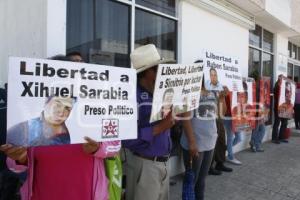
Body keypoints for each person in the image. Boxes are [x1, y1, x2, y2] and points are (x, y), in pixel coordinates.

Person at [0, 55, 121, 200]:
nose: (61, 111)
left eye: (67, 107)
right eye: (57, 104)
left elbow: (115, 145)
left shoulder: (90, 120)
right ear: (45, 100)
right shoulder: (26, 129)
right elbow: (13, 166)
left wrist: (98, 148)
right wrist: (20, 159)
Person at [123, 44, 197, 200]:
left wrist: (184, 108)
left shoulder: (161, 92)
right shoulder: (130, 97)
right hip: (144, 165)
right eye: (158, 68)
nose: (163, 72)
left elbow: (173, 118)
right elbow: (126, 139)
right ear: (147, 72)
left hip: (163, 163)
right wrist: (160, 127)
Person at [180, 80, 218, 200]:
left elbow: (219, 113)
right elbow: (185, 119)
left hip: (210, 141)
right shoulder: (189, 91)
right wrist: (192, 142)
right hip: (195, 143)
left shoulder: (213, 91)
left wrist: (222, 98)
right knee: (192, 181)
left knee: (202, 180)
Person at [7, 96, 74, 147]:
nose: (61, 113)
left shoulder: (74, 132)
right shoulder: (20, 130)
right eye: (57, 105)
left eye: (67, 108)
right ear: (46, 102)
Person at [209, 86, 233, 175]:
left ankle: (220, 163)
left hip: (219, 120)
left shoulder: (219, 91)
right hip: (211, 120)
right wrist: (221, 98)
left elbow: (223, 111)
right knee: (213, 144)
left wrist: (223, 97)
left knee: (222, 142)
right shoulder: (209, 91)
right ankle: (209, 167)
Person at [223, 90, 242, 165]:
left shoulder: (238, 92)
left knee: (239, 138)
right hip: (228, 117)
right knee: (230, 138)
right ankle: (230, 156)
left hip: (236, 117)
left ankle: (225, 148)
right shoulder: (228, 92)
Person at [272, 75, 289, 144]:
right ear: (279, 79)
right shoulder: (277, 85)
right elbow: (276, 93)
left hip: (284, 107)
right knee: (277, 122)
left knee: (285, 122)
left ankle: (281, 137)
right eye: (282, 78)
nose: (283, 80)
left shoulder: (285, 86)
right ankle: (274, 138)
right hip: (278, 107)